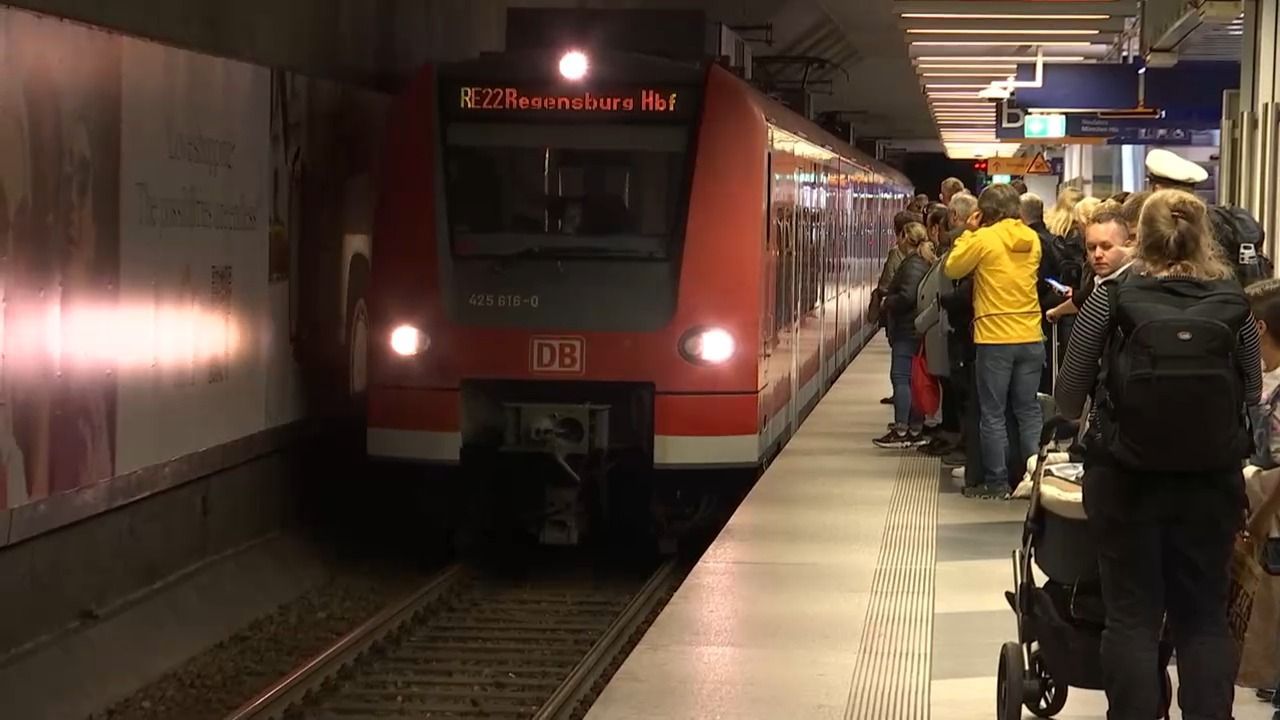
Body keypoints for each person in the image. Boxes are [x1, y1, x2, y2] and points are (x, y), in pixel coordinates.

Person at [1054, 188, 1262, 720]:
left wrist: (1087, 418)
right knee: (1203, 619)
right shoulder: (1232, 298)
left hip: (1126, 481)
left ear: (1138, 236)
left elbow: (1071, 386)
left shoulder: (1113, 294)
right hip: (1210, 484)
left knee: (1131, 618)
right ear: (1203, 235)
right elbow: (1253, 391)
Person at [944, 184, 1045, 498]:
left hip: (995, 336)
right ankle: (1033, 479)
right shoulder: (1032, 238)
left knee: (993, 412)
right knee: (1028, 411)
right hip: (1031, 334)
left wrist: (970, 232)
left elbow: (953, 267)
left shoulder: (984, 238)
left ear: (983, 212)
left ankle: (997, 482)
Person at [875, 222, 935, 448]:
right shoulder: (921, 262)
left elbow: (907, 296)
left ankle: (903, 429)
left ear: (903, 238)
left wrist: (886, 301)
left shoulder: (912, 265)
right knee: (912, 380)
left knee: (901, 378)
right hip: (914, 330)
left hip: (907, 331)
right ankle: (913, 426)